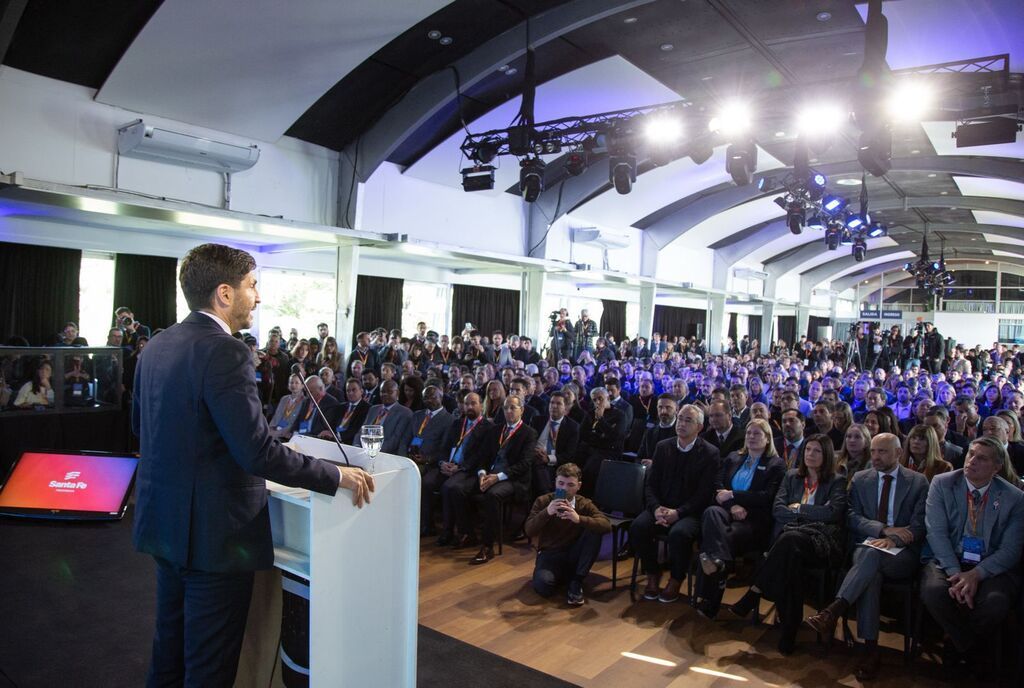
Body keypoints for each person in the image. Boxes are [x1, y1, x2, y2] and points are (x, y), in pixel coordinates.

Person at [131, 243, 372, 686]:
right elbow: (257, 452)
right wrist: (336, 475)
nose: (257, 297)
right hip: (215, 540)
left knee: (168, 657)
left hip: (164, 527)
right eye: (252, 285)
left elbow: (140, 426)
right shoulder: (226, 351)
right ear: (224, 293)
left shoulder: (157, 346)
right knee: (208, 669)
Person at [804, 433, 928, 681]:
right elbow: (851, 517)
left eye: (882, 452)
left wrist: (893, 539)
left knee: (869, 561)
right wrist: (881, 530)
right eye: (872, 451)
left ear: (898, 453)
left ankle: (836, 610)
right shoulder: (861, 479)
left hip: (901, 553)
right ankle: (869, 650)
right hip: (869, 545)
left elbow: (919, 525)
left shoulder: (917, 482)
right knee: (870, 567)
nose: (875, 457)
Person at [727, 433, 848, 654]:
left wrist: (799, 509)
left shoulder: (837, 480)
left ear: (827, 455)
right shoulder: (792, 476)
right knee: (791, 560)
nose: (810, 454)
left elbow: (832, 514)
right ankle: (788, 631)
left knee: (789, 542)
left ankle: (755, 592)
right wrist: (811, 514)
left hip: (821, 542)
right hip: (791, 542)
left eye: (817, 451)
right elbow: (778, 509)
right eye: (808, 450)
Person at [920, 436, 1024, 676]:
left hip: (990, 564)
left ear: (997, 467)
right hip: (948, 559)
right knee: (934, 591)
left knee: (995, 601)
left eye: (982, 458)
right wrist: (957, 574)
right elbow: (936, 533)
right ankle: (971, 648)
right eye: (970, 454)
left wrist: (977, 574)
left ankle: (956, 646)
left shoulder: (1014, 498)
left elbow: (1011, 550)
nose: (972, 461)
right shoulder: (942, 483)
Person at [694, 418, 785, 618]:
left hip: (754, 521)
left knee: (716, 538)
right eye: (749, 433)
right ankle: (721, 564)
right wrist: (732, 505)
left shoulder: (776, 465)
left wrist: (735, 496)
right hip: (727, 513)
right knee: (711, 513)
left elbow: (768, 497)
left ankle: (711, 595)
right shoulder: (734, 457)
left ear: (767, 438)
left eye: (757, 434)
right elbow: (717, 485)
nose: (751, 437)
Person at [630, 404, 719, 603]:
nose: (682, 423)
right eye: (680, 418)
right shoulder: (663, 446)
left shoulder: (709, 453)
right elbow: (650, 485)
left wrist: (678, 512)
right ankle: (653, 573)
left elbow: (704, 494)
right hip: (660, 507)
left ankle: (676, 579)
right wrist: (656, 509)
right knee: (638, 527)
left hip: (689, 512)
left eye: (688, 420)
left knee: (679, 534)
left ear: (699, 427)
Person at [462, 395, 538, 565]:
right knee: (458, 488)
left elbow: (524, 464)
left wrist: (498, 477)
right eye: (506, 408)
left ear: (522, 410)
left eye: (513, 408)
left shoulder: (528, 433)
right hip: (490, 475)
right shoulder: (495, 430)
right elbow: (482, 456)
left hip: (513, 479)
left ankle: (488, 547)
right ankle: (468, 534)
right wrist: (482, 473)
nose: (509, 411)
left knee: (492, 495)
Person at [524, 463, 611, 606]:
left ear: (579, 486)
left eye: (570, 485)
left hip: (574, 552)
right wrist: (547, 512)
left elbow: (606, 525)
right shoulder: (543, 501)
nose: (564, 488)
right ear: (555, 482)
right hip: (550, 553)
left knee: (595, 529)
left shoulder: (584, 504)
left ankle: (576, 580)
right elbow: (529, 530)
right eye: (561, 483)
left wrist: (579, 519)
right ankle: (567, 577)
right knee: (543, 587)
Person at [430, 392, 493, 547]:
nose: (469, 407)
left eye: (473, 403)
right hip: (449, 466)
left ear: (481, 405)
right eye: (466, 404)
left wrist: (460, 468)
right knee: (425, 482)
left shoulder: (488, 427)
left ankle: (460, 532)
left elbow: (482, 455)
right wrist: (442, 462)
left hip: (470, 470)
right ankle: (427, 526)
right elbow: (444, 447)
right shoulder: (458, 423)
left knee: (450, 488)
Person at [576, 387, 626, 493]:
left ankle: (588, 500)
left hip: (609, 452)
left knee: (589, 470)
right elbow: (583, 434)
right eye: (594, 400)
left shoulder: (619, 415)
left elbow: (615, 437)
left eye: (600, 398)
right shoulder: (590, 413)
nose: (597, 402)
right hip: (590, 449)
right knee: (570, 466)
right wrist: (600, 436)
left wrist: (601, 420)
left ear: (607, 397)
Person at [529, 391, 580, 494]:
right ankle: (547, 498)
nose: (554, 406)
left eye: (558, 403)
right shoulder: (537, 420)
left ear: (566, 408)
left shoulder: (572, 427)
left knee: (541, 470)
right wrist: (534, 451)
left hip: (555, 462)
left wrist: (548, 458)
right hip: (534, 456)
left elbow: (569, 454)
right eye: (552, 403)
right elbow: (528, 442)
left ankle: (546, 496)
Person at [357, 379, 413, 455]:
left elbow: (395, 440)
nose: (385, 394)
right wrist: (356, 446)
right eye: (382, 392)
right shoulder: (373, 409)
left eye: (389, 392)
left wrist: (373, 451)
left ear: (397, 393)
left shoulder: (405, 413)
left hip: (385, 454)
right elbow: (361, 431)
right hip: (365, 450)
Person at [408, 385, 453, 476]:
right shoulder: (417, 415)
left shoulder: (449, 419)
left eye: (433, 397)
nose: (429, 400)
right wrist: (405, 456)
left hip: (429, 463)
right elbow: (405, 438)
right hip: (409, 458)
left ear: (441, 397)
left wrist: (427, 458)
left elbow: (444, 448)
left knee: (409, 475)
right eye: (425, 398)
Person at [636, 394, 678, 467]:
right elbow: (639, 458)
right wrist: (643, 463)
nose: (663, 411)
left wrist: (655, 465)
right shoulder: (650, 432)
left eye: (668, 408)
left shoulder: (681, 433)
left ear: (677, 410)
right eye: (660, 407)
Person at [325, 377, 369, 446]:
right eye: (348, 390)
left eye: (354, 390)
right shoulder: (340, 407)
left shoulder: (367, 408)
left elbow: (357, 429)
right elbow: (332, 424)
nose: (350, 393)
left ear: (361, 391)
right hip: (333, 441)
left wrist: (337, 436)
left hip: (351, 443)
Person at [268, 374, 305, 438]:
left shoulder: (305, 401)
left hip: (289, 433)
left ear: (302, 386)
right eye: (291, 382)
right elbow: (276, 416)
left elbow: (296, 423)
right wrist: (270, 428)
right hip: (277, 429)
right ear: (288, 385)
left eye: (297, 383)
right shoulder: (284, 398)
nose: (293, 385)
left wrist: (275, 433)